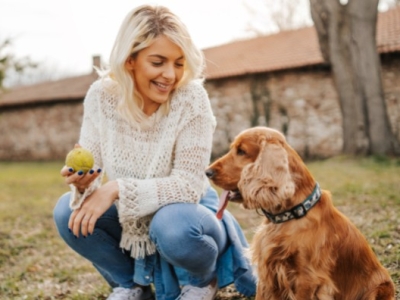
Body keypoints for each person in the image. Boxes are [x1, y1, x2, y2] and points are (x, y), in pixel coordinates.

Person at [53, 4, 256, 300]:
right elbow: (92, 167)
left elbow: (187, 186)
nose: (170, 75)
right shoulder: (100, 96)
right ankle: (130, 286)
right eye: (158, 62)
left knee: (171, 224)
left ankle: (200, 283)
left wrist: (116, 188)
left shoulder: (192, 99)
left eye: (178, 62)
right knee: (65, 212)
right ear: (130, 60)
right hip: (132, 217)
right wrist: (85, 183)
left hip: (191, 215)